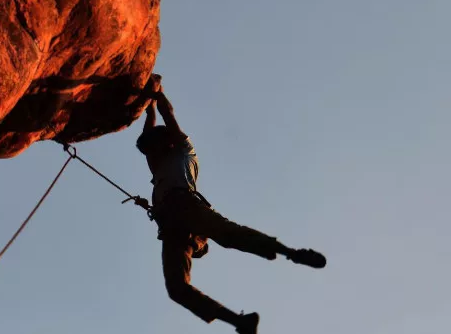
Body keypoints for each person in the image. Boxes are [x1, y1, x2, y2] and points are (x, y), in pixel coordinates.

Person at [132, 75, 326, 334]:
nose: (150, 154)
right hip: (171, 226)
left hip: (186, 207)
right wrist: (149, 107)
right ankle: (238, 322)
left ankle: (291, 252)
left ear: (165, 143)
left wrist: (157, 95)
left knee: (229, 235)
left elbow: (168, 117)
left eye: (153, 148)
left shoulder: (183, 151)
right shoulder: (158, 164)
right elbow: (149, 134)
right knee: (177, 289)